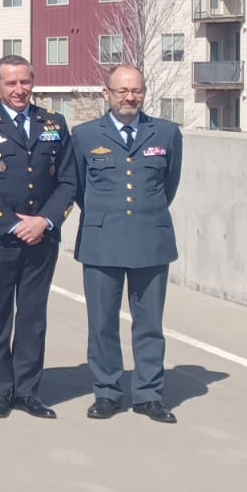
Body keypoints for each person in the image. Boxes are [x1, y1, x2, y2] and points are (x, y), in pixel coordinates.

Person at [0, 55, 76, 420]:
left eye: (25, 82)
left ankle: (27, 391)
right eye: (10, 83)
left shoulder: (53, 123)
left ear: (33, 81)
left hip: (42, 238)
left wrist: (45, 221)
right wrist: (12, 224)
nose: (19, 90)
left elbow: (69, 181)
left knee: (32, 318)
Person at [70, 65, 184, 424]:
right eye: (122, 91)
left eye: (136, 91)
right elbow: (76, 187)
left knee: (149, 323)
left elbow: (170, 184)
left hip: (150, 240)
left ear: (144, 93)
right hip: (102, 241)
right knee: (102, 323)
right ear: (107, 94)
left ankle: (149, 395)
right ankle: (107, 392)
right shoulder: (85, 135)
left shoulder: (165, 133)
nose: (129, 97)